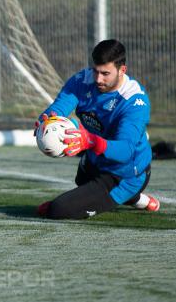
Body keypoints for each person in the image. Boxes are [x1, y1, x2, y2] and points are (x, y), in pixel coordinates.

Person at [35, 39, 159, 219]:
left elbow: (126, 150)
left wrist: (89, 141)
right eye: (95, 71)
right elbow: (59, 107)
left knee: (58, 210)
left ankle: (130, 193)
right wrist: (46, 120)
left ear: (122, 70)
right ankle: (138, 200)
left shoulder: (134, 102)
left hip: (124, 173)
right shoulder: (82, 80)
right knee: (82, 179)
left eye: (105, 73)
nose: (98, 79)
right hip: (96, 159)